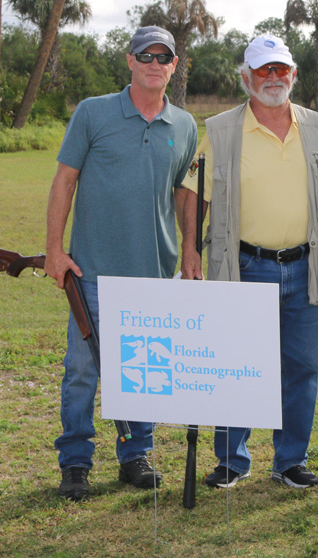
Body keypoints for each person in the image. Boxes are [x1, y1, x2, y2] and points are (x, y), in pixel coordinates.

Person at [45, 25, 198, 501]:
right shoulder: (93, 113)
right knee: (82, 372)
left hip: (154, 274)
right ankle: (75, 462)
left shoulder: (186, 126)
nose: (154, 63)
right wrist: (54, 250)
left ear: (174, 65)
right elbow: (64, 181)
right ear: (129, 61)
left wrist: (191, 249)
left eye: (164, 56)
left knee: (143, 369)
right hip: (90, 273)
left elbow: (186, 196)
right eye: (145, 55)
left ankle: (135, 455)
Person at [178, 34, 318, 489]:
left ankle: (290, 460)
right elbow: (191, 190)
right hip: (246, 266)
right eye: (263, 70)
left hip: (306, 266)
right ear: (245, 77)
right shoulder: (221, 129)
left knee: (301, 367)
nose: (273, 78)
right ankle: (231, 459)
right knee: (237, 364)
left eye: (280, 69)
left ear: (294, 75)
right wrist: (190, 249)